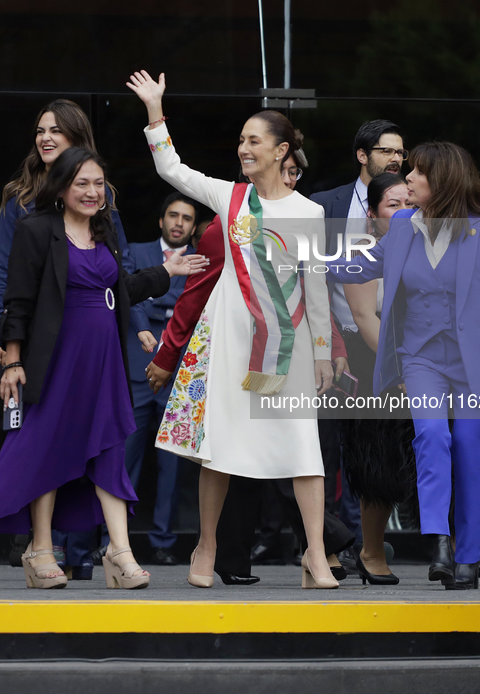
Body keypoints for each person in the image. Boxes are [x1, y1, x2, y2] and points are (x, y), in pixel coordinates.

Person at [128, 69, 338, 590]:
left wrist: (322, 354)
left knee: (303, 446)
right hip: (229, 341)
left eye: (253, 140)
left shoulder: (310, 212)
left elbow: (315, 292)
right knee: (219, 446)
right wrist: (155, 109)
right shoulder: (231, 198)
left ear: (281, 149)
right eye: (241, 140)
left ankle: (316, 557)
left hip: (283, 349)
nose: (243, 148)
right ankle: (207, 545)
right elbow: (171, 168)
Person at [0, 147, 207, 590]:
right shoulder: (36, 229)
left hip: (104, 362)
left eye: (98, 184)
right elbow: (17, 302)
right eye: (82, 183)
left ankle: (119, 552)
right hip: (54, 360)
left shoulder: (104, 231)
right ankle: (40, 548)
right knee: (47, 446)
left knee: (108, 448)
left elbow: (123, 288)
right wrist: (14, 360)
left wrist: (167, 271)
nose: (92, 192)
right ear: (60, 186)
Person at [326, 141, 480, 590]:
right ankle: (439, 540)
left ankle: (467, 556)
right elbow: (365, 265)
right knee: (429, 434)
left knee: (470, 449)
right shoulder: (404, 225)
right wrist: (306, 259)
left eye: (415, 175)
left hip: (476, 361)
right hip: (421, 357)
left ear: (440, 180)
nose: (407, 181)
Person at [0, 99, 128, 577]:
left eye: (56, 131)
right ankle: (40, 548)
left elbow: (119, 277)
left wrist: (143, 324)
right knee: (43, 437)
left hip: (97, 348)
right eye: (40, 130)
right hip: (44, 346)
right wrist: (4, 346)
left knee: (96, 440)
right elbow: (9, 280)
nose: (45, 138)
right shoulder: (21, 205)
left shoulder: (102, 205)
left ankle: (92, 553)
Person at [310, 119, 406, 568]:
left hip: (383, 344)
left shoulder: (407, 209)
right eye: (387, 151)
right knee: (326, 448)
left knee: (376, 449)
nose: (396, 159)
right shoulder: (322, 207)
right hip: (332, 344)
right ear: (362, 155)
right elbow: (308, 282)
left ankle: (365, 545)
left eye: (400, 153)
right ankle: (329, 547)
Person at [94, 192, 197, 567]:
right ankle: (113, 540)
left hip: (182, 359)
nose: (179, 223)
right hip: (138, 355)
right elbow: (130, 296)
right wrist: (151, 316)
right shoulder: (135, 250)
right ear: (161, 220)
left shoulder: (199, 258)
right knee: (126, 452)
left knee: (173, 459)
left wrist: (162, 312)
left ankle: (163, 541)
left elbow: (194, 304)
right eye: (173, 215)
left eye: (187, 218)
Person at [340, 173, 414, 584]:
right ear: (372, 215)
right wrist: (399, 369)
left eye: (410, 203)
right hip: (377, 360)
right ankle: (370, 551)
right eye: (393, 204)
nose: (404, 212)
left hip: (432, 358)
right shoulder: (360, 252)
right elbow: (365, 317)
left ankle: (457, 548)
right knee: (381, 462)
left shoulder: (426, 245)